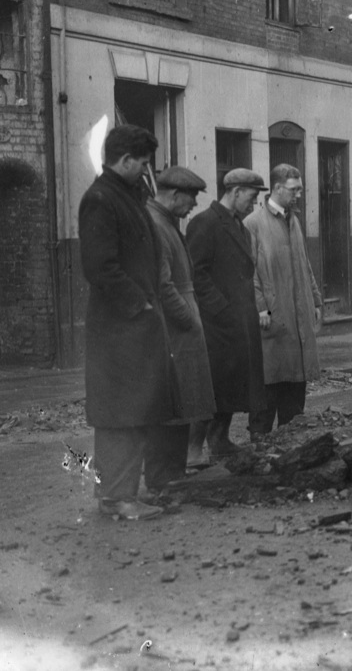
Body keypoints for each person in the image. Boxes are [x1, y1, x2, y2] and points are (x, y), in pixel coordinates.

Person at [79, 124, 173, 520]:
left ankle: (120, 493)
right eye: (143, 163)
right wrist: (140, 305)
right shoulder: (101, 199)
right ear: (125, 160)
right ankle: (117, 499)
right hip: (119, 330)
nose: (146, 171)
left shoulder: (126, 197)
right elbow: (100, 267)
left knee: (133, 411)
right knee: (120, 414)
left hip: (132, 328)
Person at [186, 168, 267, 457]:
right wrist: (222, 309)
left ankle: (219, 441)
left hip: (239, 323)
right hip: (215, 326)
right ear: (235, 192)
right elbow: (195, 275)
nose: (254, 204)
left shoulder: (241, 228)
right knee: (212, 388)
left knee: (234, 386)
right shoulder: (204, 223)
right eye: (252, 197)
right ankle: (192, 449)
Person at [147, 166, 218, 473]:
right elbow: (162, 286)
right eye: (191, 198)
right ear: (174, 196)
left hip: (182, 323)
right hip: (174, 329)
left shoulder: (167, 221)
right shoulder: (156, 225)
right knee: (175, 403)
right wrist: (188, 319)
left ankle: (174, 471)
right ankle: (166, 475)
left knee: (184, 401)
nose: (194, 205)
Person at [244, 164, 323, 436]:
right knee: (269, 387)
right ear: (277, 188)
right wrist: (261, 308)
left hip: (297, 318)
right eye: (294, 189)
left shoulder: (294, 220)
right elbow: (249, 272)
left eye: (300, 189)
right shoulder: (253, 224)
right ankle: (260, 448)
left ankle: (292, 449)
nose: (298, 194)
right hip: (273, 320)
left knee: (294, 393)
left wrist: (315, 299)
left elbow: (305, 264)